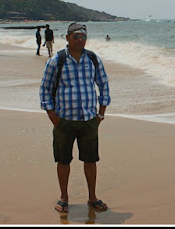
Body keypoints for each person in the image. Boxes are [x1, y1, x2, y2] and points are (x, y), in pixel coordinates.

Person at [40, 22, 111, 213]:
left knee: (91, 160)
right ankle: (64, 197)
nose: (80, 40)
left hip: (89, 120)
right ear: (67, 38)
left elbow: (103, 85)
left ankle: (92, 197)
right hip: (64, 120)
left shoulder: (93, 59)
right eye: (76, 36)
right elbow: (45, 90)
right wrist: (52, 116)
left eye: (83, 37)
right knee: (63, 161)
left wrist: (100, 114)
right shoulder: (57, 61)